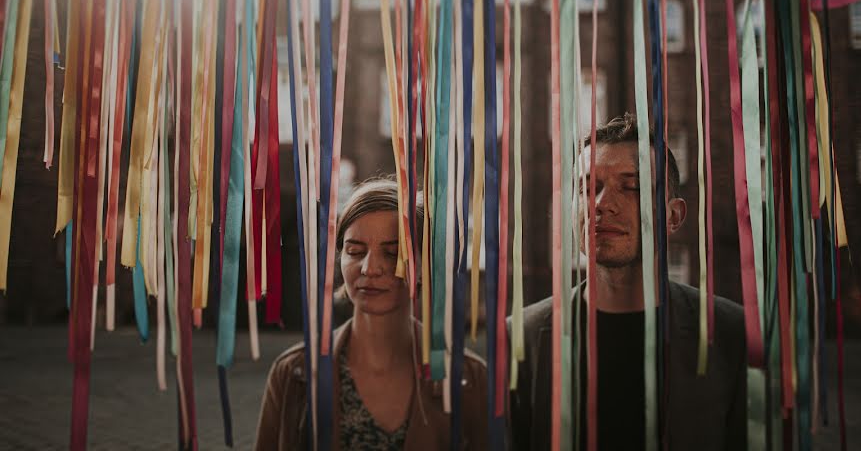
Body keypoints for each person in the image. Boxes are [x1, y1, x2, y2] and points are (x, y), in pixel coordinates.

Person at [510, 113, 747, 450]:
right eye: (588, 188)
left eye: (632, 186)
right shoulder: (522, 338)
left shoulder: (731, 336)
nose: (602, 204)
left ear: (673, 216)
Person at [255, 178, 488, 450]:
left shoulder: (468, 379)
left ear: (425, 264)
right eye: (355, 251)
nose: (369, 268)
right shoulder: (294, 374)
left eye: (391, 253)